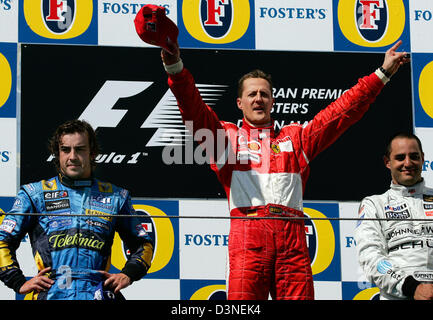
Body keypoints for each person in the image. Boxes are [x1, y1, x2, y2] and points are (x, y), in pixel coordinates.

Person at [159, 39, 409, 300]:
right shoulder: (226, 139)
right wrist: (175, 68)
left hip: (292, 241)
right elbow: (193, 110)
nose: (258, 99)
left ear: (272, 101)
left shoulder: (296, 138)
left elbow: (342, 111)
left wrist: (382, 74)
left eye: (264, 94)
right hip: (248, 237)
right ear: (239, 103)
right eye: (252, 94)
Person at [0, 120, 154, 300]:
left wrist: (128, 273)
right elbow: (3, 240)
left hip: (98, 293)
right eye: (66, 150)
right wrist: (17, 281)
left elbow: (143, 244)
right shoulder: (35, 194)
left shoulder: (116, 197)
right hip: (52, 294)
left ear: (92, 153)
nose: (72, 156)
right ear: (57, 153)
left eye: (80, 149)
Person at [355, 132, 433, 300]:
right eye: (400, 157)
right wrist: (411, 287)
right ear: (387, 162)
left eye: (414, 156)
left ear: (423, 158)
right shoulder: (374, 204)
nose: (408, 163)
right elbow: (371, 256)